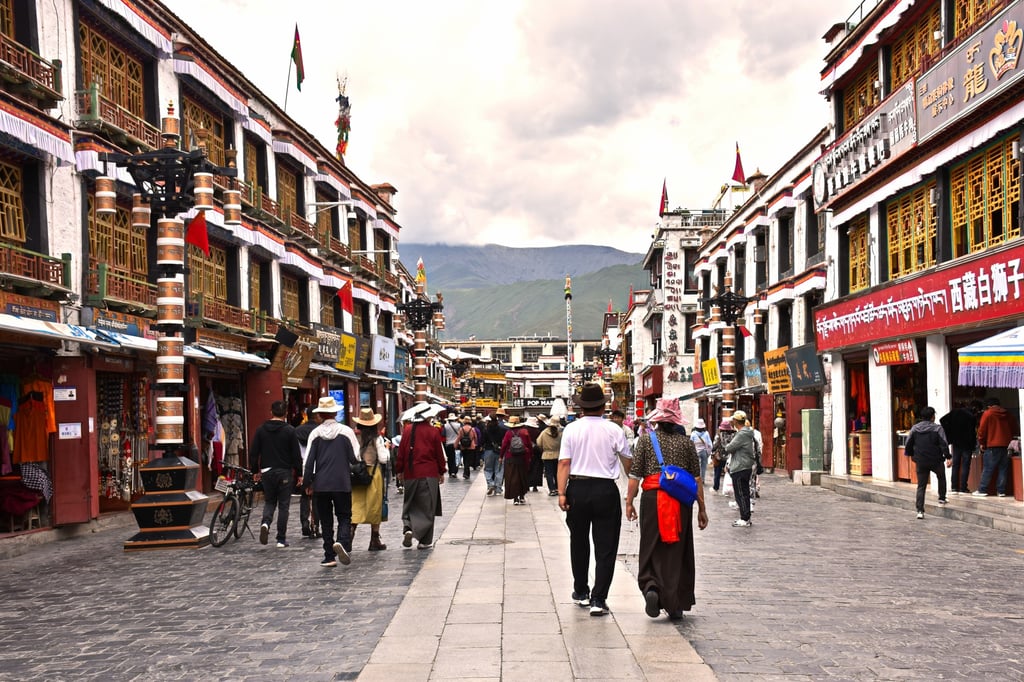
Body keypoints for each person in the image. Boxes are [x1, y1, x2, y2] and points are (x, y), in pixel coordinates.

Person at [625, 397, 708, 620]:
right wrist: (702, 508)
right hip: (680, 501)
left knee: (651, 545)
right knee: (677, 550)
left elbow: (635, 474)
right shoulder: (687, 443)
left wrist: (629, 501)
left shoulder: (645, 441)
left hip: (652, 499)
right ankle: (675, 602)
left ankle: (651, 587)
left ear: (658, 419)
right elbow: (696, 478)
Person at [557, 383, 632, 617]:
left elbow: (564, 463)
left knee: (578, 542)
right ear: (603, 407)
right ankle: (599, 599)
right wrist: (632, 489)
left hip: (577, 488)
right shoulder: (614, 430)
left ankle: (581, 592)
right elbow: (628, 461)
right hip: (605, 490)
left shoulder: (571, 429)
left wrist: (561, 492)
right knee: (606, 546)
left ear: (581, 408)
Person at [303, 396, 361, 567]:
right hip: (342, 482)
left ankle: (329, 556)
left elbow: (308, 462)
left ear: (320, 414)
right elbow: (355, 458)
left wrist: (307, 483)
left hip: (321, 484)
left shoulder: (315, 434)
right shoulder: (346, 432)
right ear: (335, 412)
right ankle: (342, 542)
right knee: (344, 516)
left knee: (326, 520)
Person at [250, 400, 302, 548]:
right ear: (285, 413)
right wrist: (299, 473)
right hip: (285, 472)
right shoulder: (290, 430)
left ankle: (265, 523)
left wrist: (255, 471)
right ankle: (281, 539)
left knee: (270, 502)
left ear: (271, 412)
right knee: (284, 506)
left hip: (267, 471)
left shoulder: (261, 430)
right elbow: (296, 455)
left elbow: (254, 453)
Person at [395, 403, 447, 549]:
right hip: (428, 473)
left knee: (410, 502)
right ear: (428, 415)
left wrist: (399, 470)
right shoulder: (433, 431)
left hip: (411, 473)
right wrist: (441, 471)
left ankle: (409, 528)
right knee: (427, 507)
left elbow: (401, 453)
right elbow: (438, 454)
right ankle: (424, 541)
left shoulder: (407, 430)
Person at [351, 407, 389, 551]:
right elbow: (384, 459)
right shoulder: (377, 439)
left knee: (356, 505)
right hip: (373, 474)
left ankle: (349, 535)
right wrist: (386, 447)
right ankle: (374, 540)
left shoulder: (355, 438)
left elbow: (353, 456)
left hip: (358, 474)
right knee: (374, 506)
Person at [905, 405, 950, 518]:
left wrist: (911, 455)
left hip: (921, 460)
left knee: (921, 486)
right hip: (936, 460)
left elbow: (908, 443)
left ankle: (920, 511)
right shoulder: (938, 428)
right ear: (932, 417)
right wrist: (948, 456)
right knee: (941, 477)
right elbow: (944, 444)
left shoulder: (915, 428)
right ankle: (941, 498)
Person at [974, 397, 1014, 497]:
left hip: (992, 445)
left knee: (988, 468)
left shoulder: (987, 414)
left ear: (988, 406)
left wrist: (982, 443)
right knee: (1003, 469)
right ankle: (1001, 491)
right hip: (1006, 445)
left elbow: (981, 431)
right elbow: (1015, 427)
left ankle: (982, 490)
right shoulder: (1008, 414)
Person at [724, 410, 757, 527]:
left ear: (736, 421)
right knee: (744, 492)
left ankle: (745, 518)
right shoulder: (747, 432)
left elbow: (729, 448)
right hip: (745, 465)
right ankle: (746, 517)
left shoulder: (742, 434)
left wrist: (727, 444)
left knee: (741, 493)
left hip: (740, 467)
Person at [939, 401, 981, 495]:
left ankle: (954, 487)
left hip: (956, 443)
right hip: (967, 444)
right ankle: (963, 488)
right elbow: (972, 433)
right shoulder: (971, 417)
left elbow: (942, 420)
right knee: (965, 465)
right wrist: (973, 445)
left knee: (956, 465)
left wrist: (949, 433)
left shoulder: (954, 412)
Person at [294, 406, 321, 538]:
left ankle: (305, 523)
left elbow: (294, 452)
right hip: (318, 467)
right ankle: (315, 525)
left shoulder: (297, 430)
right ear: (317, 416)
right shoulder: (320, 431)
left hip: (304, 467)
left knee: (305, 497)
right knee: (317, 497)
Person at [502, 416, 534, 505]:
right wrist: (531, 455)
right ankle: (522, 496)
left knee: (512, 477)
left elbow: (504, 445)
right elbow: (529, 445)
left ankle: (515, 498)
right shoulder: (525, 432)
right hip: (523, 457)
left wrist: (501, 456)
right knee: (522, 477)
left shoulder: (508, 433)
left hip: (510, 457)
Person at [482, 410, 508, 496]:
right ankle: (498, 488)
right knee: (499, 470)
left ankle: (490, 484)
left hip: (488, 450)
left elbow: (482, 441)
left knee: (488, 469)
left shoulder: (486, 430)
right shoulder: (503, 429)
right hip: (500, 451)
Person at [536, 417, 563, 496]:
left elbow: (538, 443)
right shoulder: (561, 433)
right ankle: (558, 488)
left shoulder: (544, 433)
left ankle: (552, 489)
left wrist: (544, 449)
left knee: (549, 474)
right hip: (558, 455)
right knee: (557, 473)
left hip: (547, 455)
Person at [710, 418, 735, 494]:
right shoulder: (733, 435)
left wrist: (712, 453)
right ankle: (730, 487)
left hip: (719, 457)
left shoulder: (718, 435)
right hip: (729, 457)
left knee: (717, 473)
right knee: (730, 473)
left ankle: (716, 488)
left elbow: (714, 445)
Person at [690, 418, 713, 486]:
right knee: (703, 466)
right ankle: (702, 480)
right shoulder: (706, 433)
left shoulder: (693, 434)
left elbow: (691, 443)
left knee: (697, 466)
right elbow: (709, 444)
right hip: (704, 452)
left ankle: (696, 479)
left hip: (696, 451)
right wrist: (709, 452)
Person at [442, 413, 461, 480]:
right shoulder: (458, 425)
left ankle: (450, 472)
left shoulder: (445, 426)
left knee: (450, 458)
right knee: (457, 458)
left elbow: (443, 434)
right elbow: (460, 434)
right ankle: (454, 471)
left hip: (448, 444)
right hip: (457, 444)